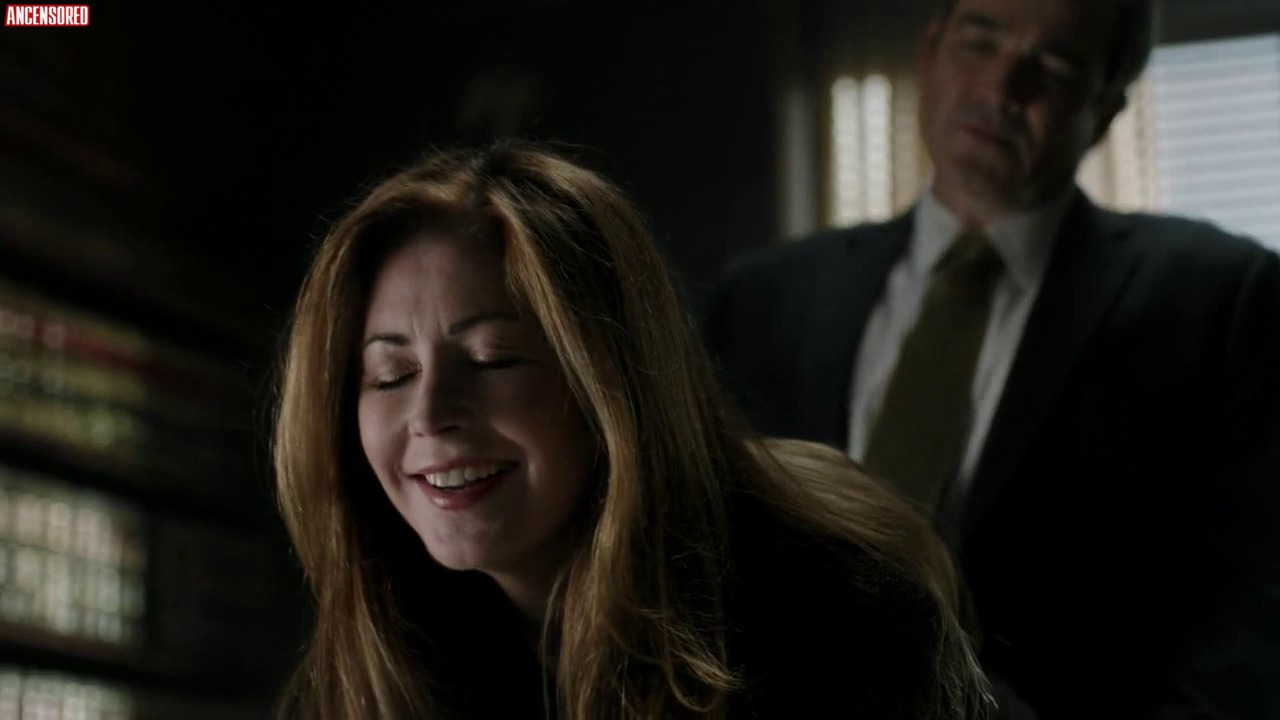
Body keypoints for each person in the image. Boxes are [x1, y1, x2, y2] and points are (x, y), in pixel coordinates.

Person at [270, 141, 992, 719]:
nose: (430, 415)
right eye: (391, 375)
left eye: (493, 360)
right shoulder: (380, 654)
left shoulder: (839, 626)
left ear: (608, 383)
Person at [704, 0, 1280, 717]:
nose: (1002, 88)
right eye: (981, 43)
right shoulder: (763, 296)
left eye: (1054, 66)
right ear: (930, 54)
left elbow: (1253, 612)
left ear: (1106, 107)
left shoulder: (1217, 296)